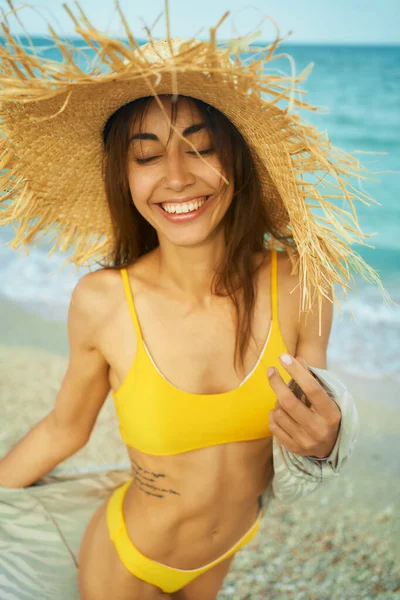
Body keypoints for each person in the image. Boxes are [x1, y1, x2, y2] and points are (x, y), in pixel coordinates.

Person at [0, 3, 389, 599]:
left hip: (224, 551)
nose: (177, 177)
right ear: (123, 177)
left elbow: (316, 427)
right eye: (148, 155)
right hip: (125, 561)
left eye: (200, 148)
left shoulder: (304, 284)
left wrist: (326, 445)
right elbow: (63, 430)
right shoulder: (104, 302)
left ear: (236, 160)